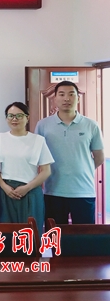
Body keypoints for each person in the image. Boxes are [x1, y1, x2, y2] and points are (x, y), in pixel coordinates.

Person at [35, 81, 105, 224]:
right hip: (53, 190)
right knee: (54, 234)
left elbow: (99, 157)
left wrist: (83, 169)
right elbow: (37, 156)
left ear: (78, 98)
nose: (66, 98)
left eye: (71, 94)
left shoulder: (91, 125)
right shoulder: (43, 125)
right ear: (55, 98)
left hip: (83, 191)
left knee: (84, 234)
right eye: (62, 94)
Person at [0, 102, 53, 230]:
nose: (14, 119)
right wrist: (4, 186)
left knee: (31, 232)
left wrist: (27, 188)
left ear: (27, 117)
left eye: (19, 116)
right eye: (10, 116)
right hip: (6, 191)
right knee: (6, 233)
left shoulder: (38, 140)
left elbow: (46, 171)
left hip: (30, 190)